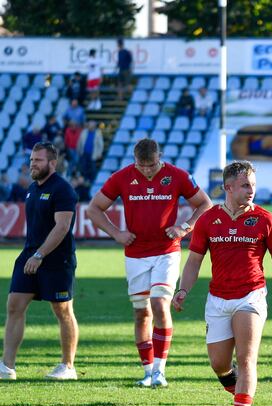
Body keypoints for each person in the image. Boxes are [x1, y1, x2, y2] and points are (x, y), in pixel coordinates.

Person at [172, 160, 272, 406]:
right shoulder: (208, 219)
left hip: (250, 297)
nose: (251, 190)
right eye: (245, 185)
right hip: (217, 299)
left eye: (253, 185)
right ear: (228, 188)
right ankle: (242, 397)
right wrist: (183, 290)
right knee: (220, 364)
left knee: (246, 359)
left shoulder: (267, 220)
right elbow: (194, 261)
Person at [86, 139, 212, 388]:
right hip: (135, 254)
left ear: (160, 157)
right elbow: (94, 209)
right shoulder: (122, 177)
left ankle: (159, 371)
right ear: (135, 160)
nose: (147, 170)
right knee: (141, 312)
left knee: (159, 303)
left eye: (152, 165)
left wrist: (184, 228)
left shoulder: (177, 175)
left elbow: (205, 203)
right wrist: (116, 233)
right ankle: (147, 371)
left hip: (166, 251)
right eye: (142, 165)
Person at [0, 142, 80, 381]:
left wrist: (40, 255)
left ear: (52, 163)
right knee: (14, 305)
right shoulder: (32, 189)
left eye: (38, 160)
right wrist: (32, 254)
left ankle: (68, 366)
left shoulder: (63, 189)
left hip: (56, 258)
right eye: (32, 160)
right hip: (29, 254)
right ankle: (7, 367)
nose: (32, 164)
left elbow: (62, 227)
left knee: (62, 310)